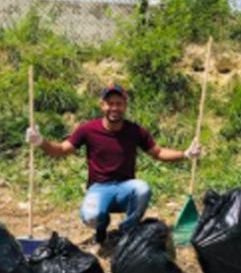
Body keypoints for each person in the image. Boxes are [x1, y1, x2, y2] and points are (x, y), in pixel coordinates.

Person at [26, 84, 200, 248]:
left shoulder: (135, 131)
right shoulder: (88, 129)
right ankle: (101, 228)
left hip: (126, 188)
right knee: (91, 217)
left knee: (142, 189)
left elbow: (158, 153)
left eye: (119, 103)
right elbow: (62, 150)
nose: (114, 108)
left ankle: (127, 230)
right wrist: (41, 142)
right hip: (99, 188)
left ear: (125, 106)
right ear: (103, 105)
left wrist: (185, 154)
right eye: (110, 103)